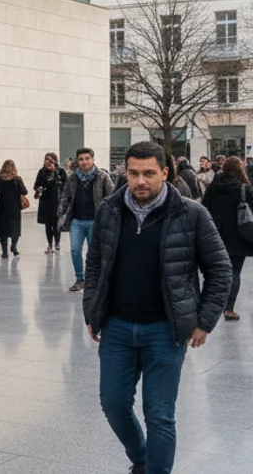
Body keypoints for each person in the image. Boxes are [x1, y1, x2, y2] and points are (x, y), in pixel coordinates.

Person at [84, 141, 231, 474]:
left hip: (165, 330)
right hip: (118, 327)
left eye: (149, 173)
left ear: (165, 172)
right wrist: (92, 310)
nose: (140, 181)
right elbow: (95, 264)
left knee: (159, 414)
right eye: (133, 173)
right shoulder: (109, 209)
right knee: (114, 404)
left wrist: (204, 321)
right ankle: (141, 458)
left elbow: (220, 269)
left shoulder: (191, 213)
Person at [201, 157, 252, 321]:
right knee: (234, 272)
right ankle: (229, 308)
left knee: (216, 272)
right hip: (239, 235)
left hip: (215, 234)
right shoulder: (244, 188)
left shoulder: (213, 187)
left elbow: (204, 207)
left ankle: (210, 307)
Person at [59, 147, 114, 292]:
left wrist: (108, 216)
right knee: (75, 249)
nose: (84, 162)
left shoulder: (102, 176)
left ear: (93, 159)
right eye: (81, 159)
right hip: (77, 220)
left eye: (87, 159)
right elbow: (65, 195)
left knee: (94, 252)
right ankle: (79, 278)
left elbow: (111, 197)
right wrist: (62, 212)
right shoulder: (72, 177)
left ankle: (93, 280)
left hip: (95, 221)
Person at [0, 160, 27, 257]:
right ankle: (14, 247)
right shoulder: (17, 179)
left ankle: (4, 252)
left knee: (3, 231)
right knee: (15, 230)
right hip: (14, 208)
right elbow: (24, 191)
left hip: (2, 207)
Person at [34, 153, 67, 254]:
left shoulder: (60, 171)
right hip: (46, 201)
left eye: (50, 160)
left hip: (57, 200)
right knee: (47, 224)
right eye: (46, 160)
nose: (48, 162)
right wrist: (39, 189)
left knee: (57, 223)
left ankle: (57, 242)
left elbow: (66, 185)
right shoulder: (42, 172)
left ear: (55, 161)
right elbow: (36, 185)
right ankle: (49, 244)